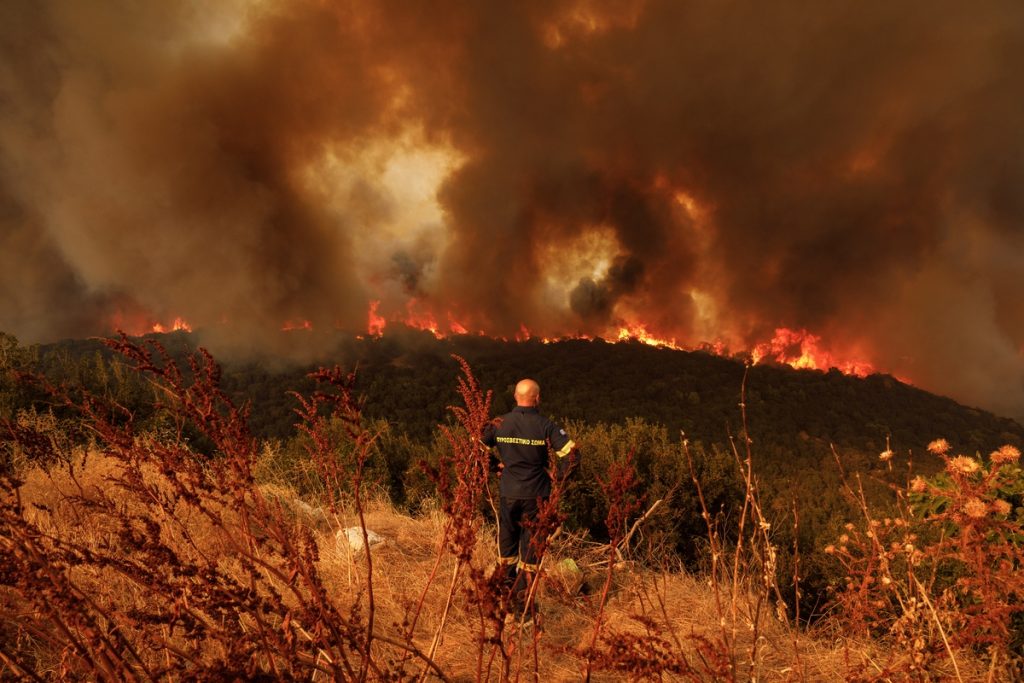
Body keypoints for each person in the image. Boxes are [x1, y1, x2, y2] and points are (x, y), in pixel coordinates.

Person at [481, 378, 578, 616]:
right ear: (538, 398)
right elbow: (572, 454)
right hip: (537, 498)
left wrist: (495, 467)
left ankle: (504, 600)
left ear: (515, 396)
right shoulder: (546, 426)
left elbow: (476, 448)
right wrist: (560, 480)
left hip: (508, 495)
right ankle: (523, 607)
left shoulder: (499, 424)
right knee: (531, 552)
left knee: (507, 548)